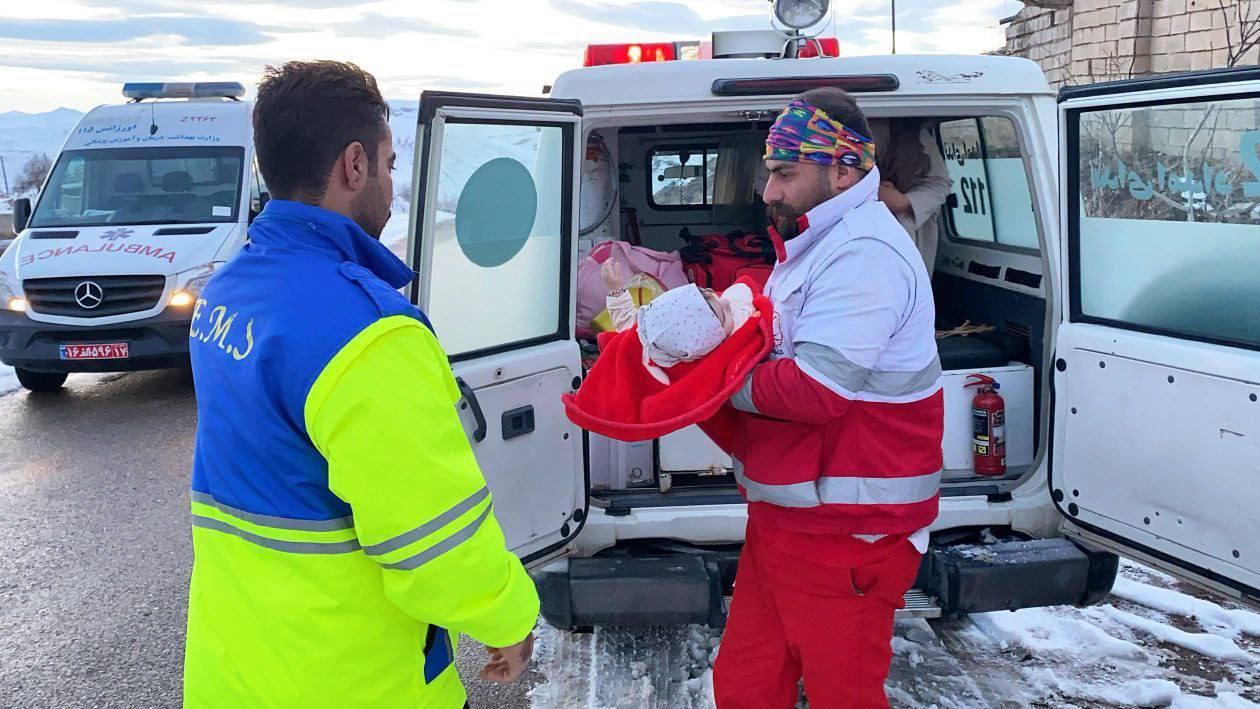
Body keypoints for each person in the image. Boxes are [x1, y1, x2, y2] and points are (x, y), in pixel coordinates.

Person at [183, 61, 538, 709]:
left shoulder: (228, 290)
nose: (391, 184)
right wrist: (508, 617)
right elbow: (431, 540)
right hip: (353, 680)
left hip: (231, 675)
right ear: (354, 165)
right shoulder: (368, 335)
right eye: (389, 163)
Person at [711, 88, 944, 708]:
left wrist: (710, 378)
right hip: (794, 517)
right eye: (771, 173)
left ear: (843, 169)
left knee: (844, 692)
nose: (769, 191)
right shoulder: (823, 240)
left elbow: (815, 389)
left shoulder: (864, 254)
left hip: (848, 530)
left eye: (786, 173)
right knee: (748, 682)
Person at [869, 118, 953, 272]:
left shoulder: (911, 130)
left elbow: (940, 183)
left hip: (904, 237)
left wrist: (904, 202)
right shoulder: (830, 126)